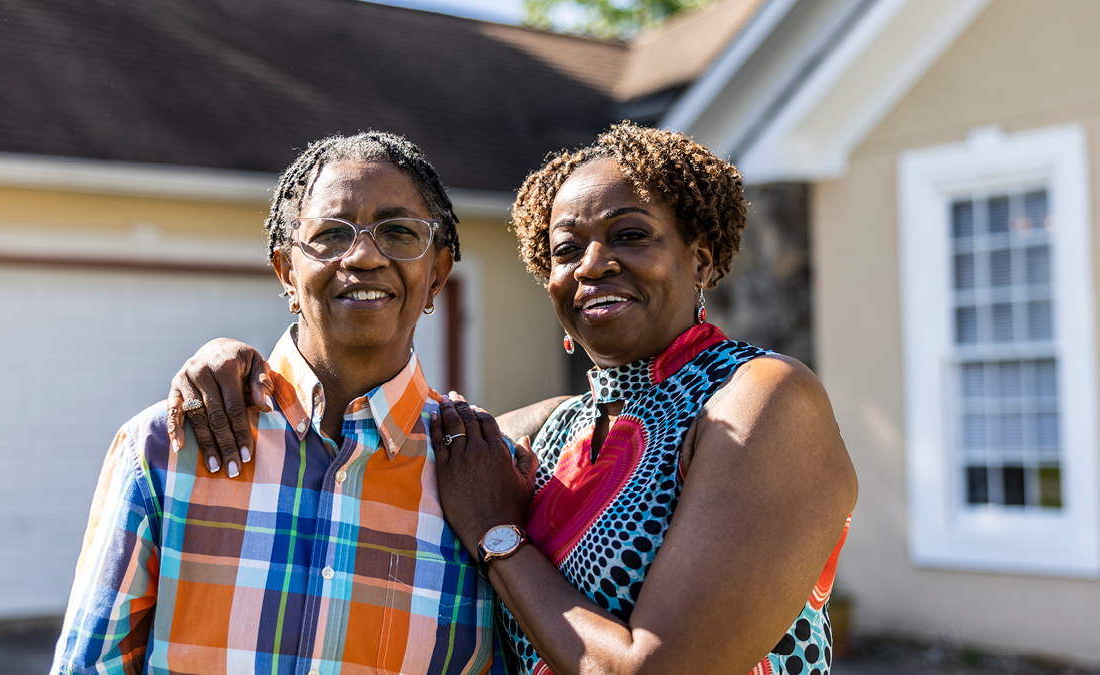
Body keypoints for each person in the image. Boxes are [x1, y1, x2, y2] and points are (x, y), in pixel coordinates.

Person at [171, 123, 857, 675]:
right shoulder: (546, 433)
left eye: (629, 235)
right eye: (567, 249)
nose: (594, 264)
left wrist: (500, 539)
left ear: (702, 258)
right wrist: (239, 369)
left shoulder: (759, 400)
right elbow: (383, 430)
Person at [51, 131, 520, 674]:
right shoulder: (165, 449)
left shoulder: (488, 479)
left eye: (396, 231)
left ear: (437, 275)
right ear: (286, 272)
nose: (365, 255)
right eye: (329, 234)